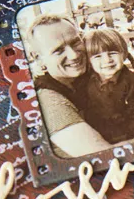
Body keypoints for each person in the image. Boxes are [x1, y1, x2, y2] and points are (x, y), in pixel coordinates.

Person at [24, 15, 111, 157]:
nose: (73, 55)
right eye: (58, 50)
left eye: (75, 42)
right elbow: (103, 156)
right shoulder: (48, 101)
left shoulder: (86, 79)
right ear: (38, 58)